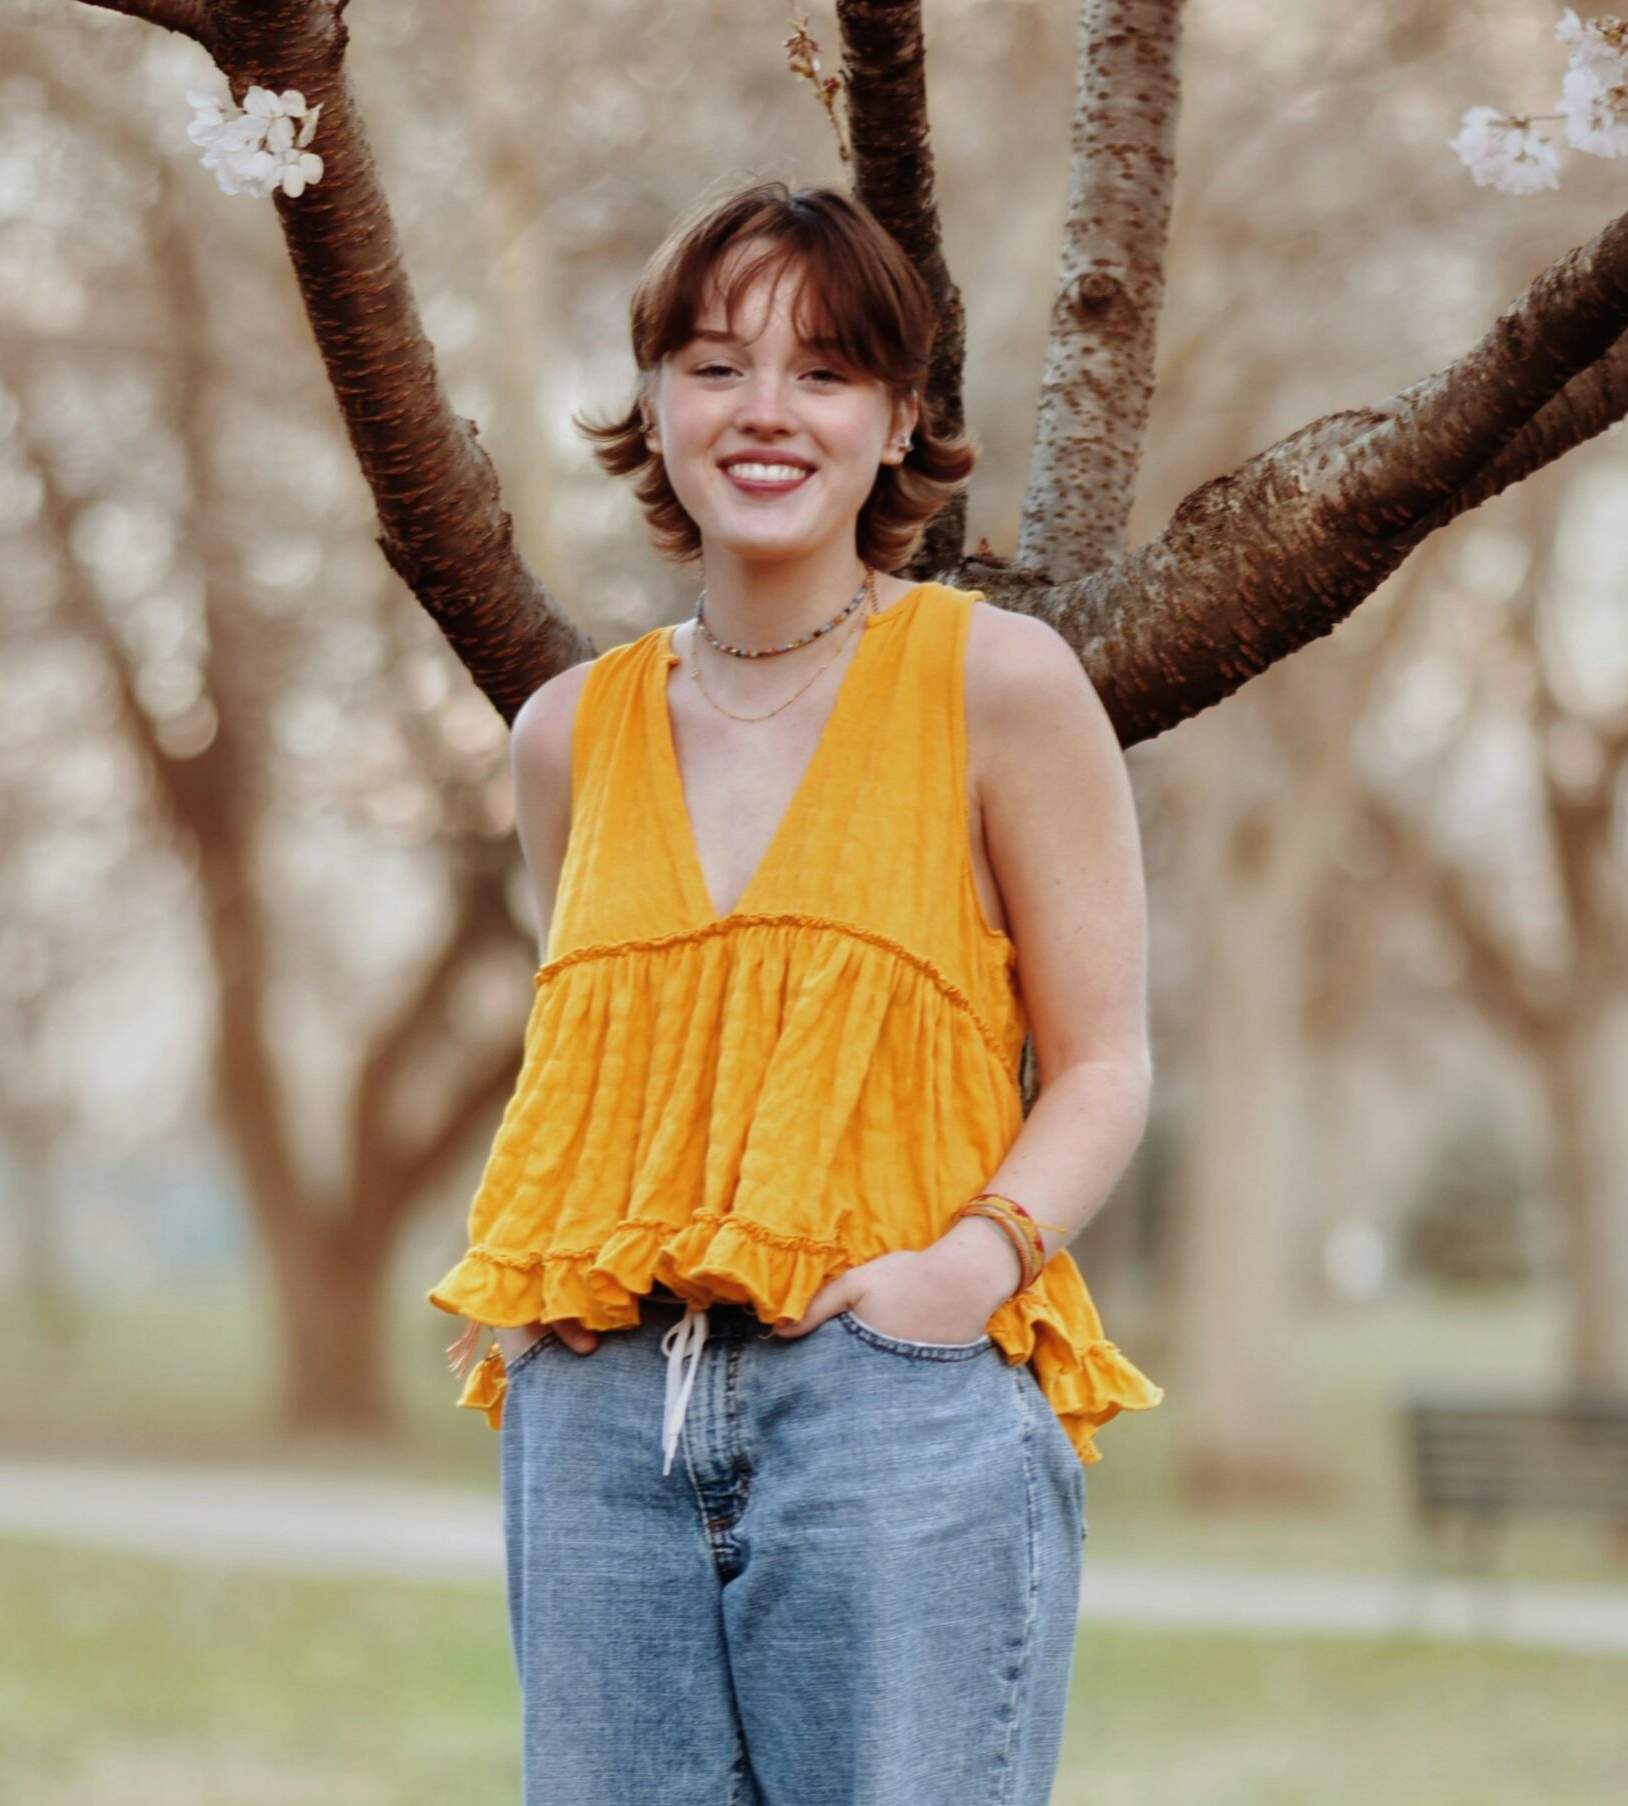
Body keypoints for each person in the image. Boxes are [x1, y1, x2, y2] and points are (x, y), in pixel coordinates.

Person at [426, 178, 1161, 1806]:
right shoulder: (564, 734)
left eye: (824, 372)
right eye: (714, 365)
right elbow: (628, 1060)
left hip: (887, 1402)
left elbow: (1105, 1062)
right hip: (597, 1420)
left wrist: (960, 1276)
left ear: (900, 418)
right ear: (658, 409)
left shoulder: (999, 684)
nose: (767, 413)